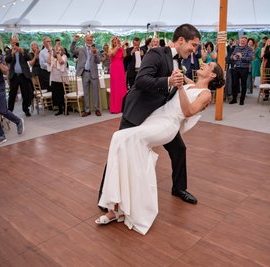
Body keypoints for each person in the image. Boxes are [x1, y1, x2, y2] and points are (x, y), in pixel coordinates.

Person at [96, 62, 225, 235]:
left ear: (213, 75)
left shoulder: (206, 94)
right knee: (122, 143)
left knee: (121, 138)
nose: (204, 63)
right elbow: (179, 79)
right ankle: (116, 207)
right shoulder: (192, 84)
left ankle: (133, 206)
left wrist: (180, 89)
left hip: (166, 125)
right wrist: (175, 76)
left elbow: (188, 112)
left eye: (209, 64)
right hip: (155, 117)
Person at [97, 24, 202, 212]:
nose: (195, 49)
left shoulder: (182, 61)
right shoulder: (156, 54)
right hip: (138, 111)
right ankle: (105, 196)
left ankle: (179, 188)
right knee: (120, 148)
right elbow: (141, 81)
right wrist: (168, 81)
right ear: (180, 40)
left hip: (159, 116)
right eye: (193, 45)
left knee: (179, 148)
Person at [70, 34, 102, 117]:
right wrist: (74, 41)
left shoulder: (96, 50)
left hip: (94, 73)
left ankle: (97, 109)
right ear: (85, 40)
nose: (89, 41)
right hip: (84, 73)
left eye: (91, 40)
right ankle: (87, 110)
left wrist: (94, 54)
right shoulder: (80, 49)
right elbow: (71, 50)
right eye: (88, 40)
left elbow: (98, 61)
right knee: (86, 92)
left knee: (95, 92)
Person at [5, 36, 34, 117]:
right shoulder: (9, 51)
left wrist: (23, 52)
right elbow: (7, 60)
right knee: (12, 94)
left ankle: (26, 109)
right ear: (11, 43)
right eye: (13, 43)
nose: (15, 44)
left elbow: (30, 58)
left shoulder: (23, 50)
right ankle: (10, 110)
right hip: (14, 76)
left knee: (25, 93)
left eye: (16, 42)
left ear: (18, 42)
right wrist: (12, 54)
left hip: (23, 75)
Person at [108, 36, 128, 113]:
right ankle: (115, 108)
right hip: (114, 69)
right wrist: (117, 46)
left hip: (121, 68)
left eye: (117, 41)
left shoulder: (120, 48)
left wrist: (123, 47)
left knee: (121, 86)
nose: (115, 42)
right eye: (114, 41)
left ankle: (123, 107)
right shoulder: (111, 49)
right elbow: (112, 54)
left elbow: (124, 55)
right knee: (115, 87)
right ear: (112, 42)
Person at [47, 45, 68, 116]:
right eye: (57, 50)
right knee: (56, 95)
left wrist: (58, 54)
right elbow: (49, 62)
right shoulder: (53, 57)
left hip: (61, 79)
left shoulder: (64, 56)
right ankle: (60, 110)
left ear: (62, 51)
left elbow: (61, 62)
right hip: (54, 78)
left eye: (60, 50)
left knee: (62, 94)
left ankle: (66, 109)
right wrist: (50, 53)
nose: (58, 51)